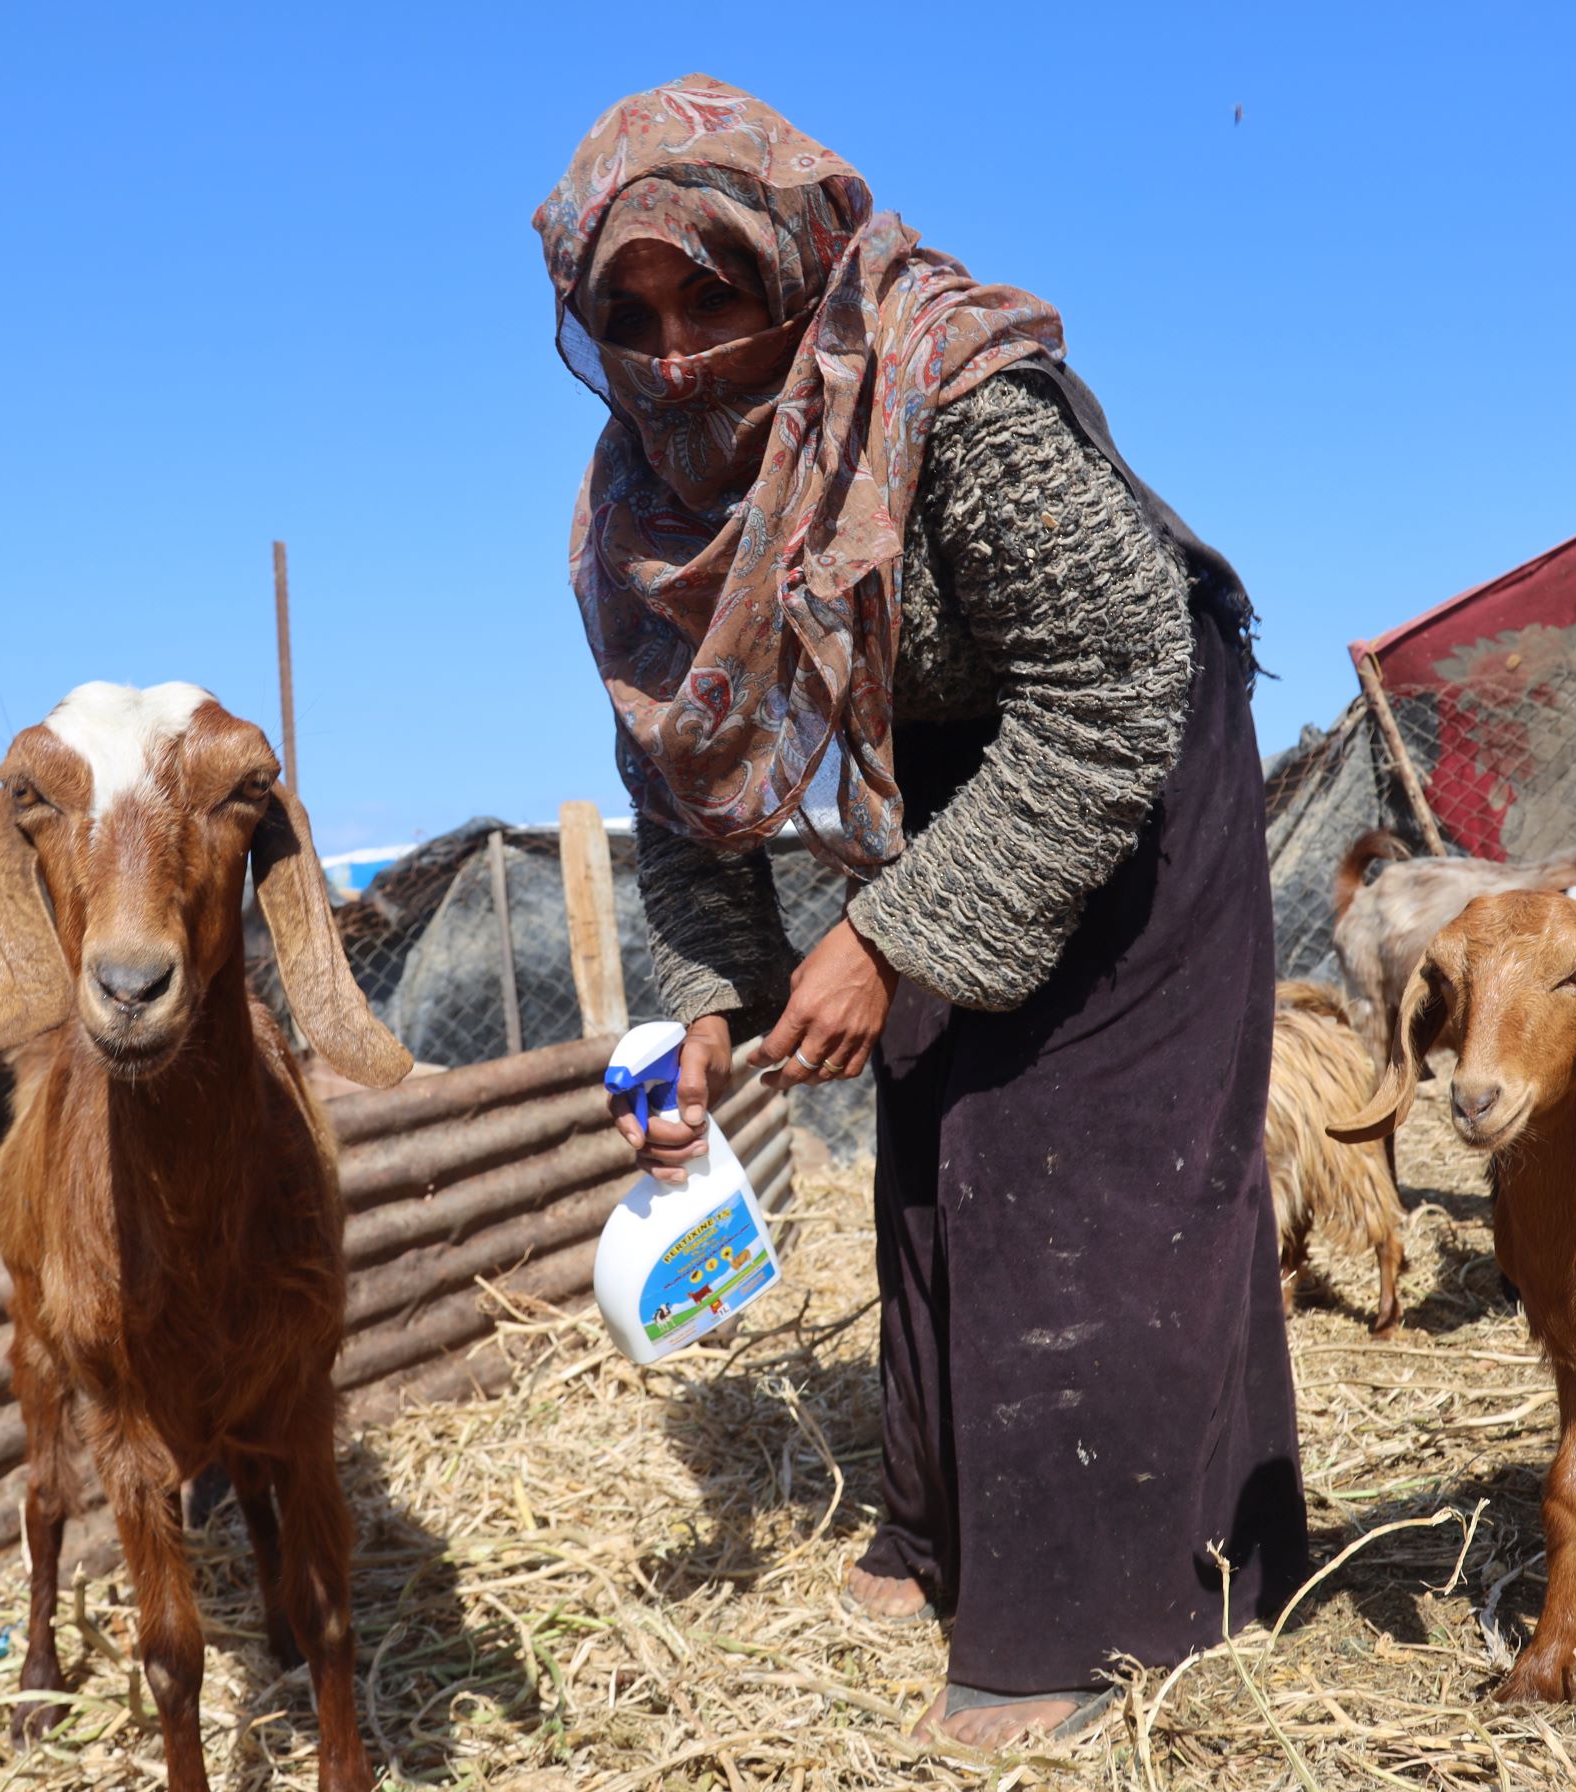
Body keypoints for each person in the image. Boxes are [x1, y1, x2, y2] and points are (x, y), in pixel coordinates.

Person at [536, 75, 1306, 1749]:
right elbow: (685, 788)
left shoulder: (952, 395)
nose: (675, 355)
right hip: (959, 772)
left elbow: (1110, 680)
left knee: (1075, 1160)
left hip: (1131, 744)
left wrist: (890, 939)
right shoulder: (641, 514)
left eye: (712, 295)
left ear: (793, 271)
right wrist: (706, 1010)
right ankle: (942, 1524)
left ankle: (1104, 1614)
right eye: (632, 314)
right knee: (937, 1138)